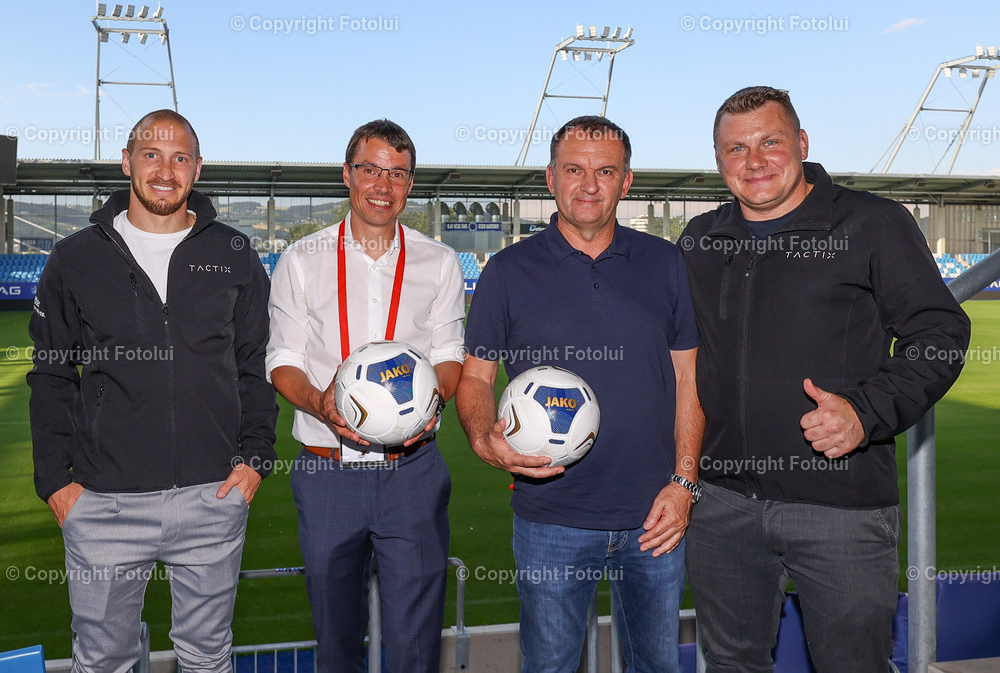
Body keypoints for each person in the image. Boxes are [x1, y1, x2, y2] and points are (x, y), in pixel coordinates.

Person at [679, 86, 972, 672]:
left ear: (802, 143)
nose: (754, 161)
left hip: (839, 506)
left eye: (770, 142)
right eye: (735, 149)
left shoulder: (872, 223)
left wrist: (866, 411)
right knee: (733, 664)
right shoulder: (700, 239)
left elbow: (940, 335)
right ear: (718, 161)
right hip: (723, 505)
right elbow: (677, 358)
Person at [28, 109, 278, 672]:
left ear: (196, 168)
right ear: (127, 162)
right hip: (102, 502)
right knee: (103, 662)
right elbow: (50, 374)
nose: (165, 170)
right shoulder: (74, 258)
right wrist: (57, 484)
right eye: (151, 154)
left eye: (180, 157)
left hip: (212, 497)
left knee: (208, 658)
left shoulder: (235, 254)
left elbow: (253, 366)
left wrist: (256, 460)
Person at [456, 115, 704, 672]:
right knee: (549, 668)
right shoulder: (506, 271)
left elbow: (690, 382)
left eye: (605, 171)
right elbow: (475, 379)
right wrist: (481, 437)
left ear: (627, 181)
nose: (588, 184)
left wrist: (685, 483)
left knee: (655, 668)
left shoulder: (666, 265)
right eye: (574, 169)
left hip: (655, 516)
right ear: (550, 177)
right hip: (551, 517)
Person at [266, 119, 465, 673]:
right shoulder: (301, 259)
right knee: (335, 645)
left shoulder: (439, 261)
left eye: (397, 174)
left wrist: (434, 402)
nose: (383, 184)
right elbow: (281, 361)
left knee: (416, 646)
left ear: (410, 184)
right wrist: (320, 404)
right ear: (347, 174)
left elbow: (451, 352)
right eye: (371, 169)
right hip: (328, 474)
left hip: (413, 473)